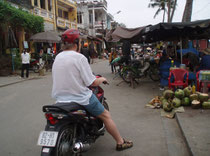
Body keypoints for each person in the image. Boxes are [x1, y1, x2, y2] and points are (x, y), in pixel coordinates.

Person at [52, 29, 133, 151]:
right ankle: (120, 142)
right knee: (106, 115)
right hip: (80, 99)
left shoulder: (57, 57)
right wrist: (102, 79)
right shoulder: (79, 58)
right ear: (77, 43)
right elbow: (92, 82)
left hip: (60, 100)